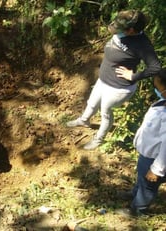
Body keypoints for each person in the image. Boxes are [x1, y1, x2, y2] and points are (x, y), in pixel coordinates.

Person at [66, 10, 161, 150]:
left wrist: (133, 76)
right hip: (104, 79)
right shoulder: (122, 25)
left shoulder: (142, 45)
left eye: (120, 29)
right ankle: (84, 120)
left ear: (131, 30)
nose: (115, 30)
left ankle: (98, 139)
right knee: (92, 103)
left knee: (105, 111)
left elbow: (155, 67)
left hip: (119, 87)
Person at [116, 69, 166, 217]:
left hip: (155, 158)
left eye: (157, 87)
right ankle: (135, 193)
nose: (155, 89)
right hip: (147, 154)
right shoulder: (162, 103)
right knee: (142, 176)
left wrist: (157, 169)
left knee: (148, 184)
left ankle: (138, 209)